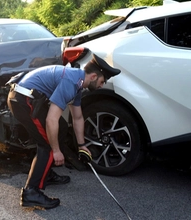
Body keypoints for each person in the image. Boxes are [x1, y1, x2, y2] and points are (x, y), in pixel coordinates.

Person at [7, 54, 121, 209]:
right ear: (93, 76)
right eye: (102, 81)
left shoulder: (78, 83)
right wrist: (56, 150)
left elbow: (78, 117)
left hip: (30, 98)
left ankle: (44, 173)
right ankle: (31, 192)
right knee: (47, 143)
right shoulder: (71, 82)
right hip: (23, 100)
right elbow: (50, 120)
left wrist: (82, 145)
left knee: (60, 129)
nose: (101, 86)